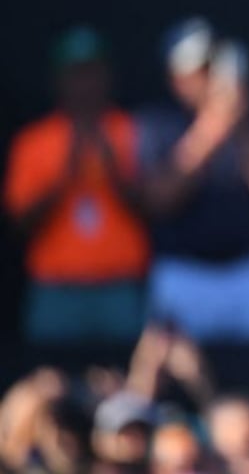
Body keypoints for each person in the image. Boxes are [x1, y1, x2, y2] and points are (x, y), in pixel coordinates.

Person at [136, 18, 249, 343]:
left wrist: (242, 125)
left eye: (212, 68)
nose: (208, 80)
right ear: (175, 78)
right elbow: (160, 199)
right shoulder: (157, 125)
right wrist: (212, 128)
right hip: (184, 275)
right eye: (198, 71)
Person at [4, 26, 149, 344]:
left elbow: (155, 207)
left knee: (126, 386)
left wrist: (115, 172)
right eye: (76, 74)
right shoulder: (34, 141)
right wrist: (63, 176)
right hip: (57, 292)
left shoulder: (132, 132)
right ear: (58, 80)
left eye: (93, 73)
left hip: (119, 289)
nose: (85, 84)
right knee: (51, 381)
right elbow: (20, 222)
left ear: (108, 76)